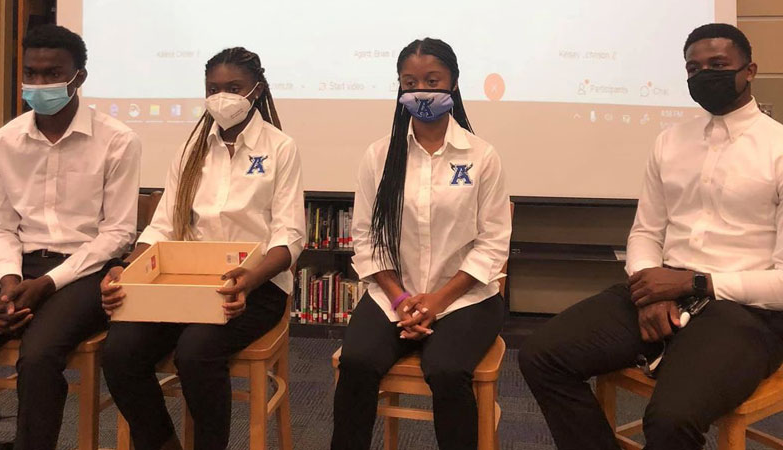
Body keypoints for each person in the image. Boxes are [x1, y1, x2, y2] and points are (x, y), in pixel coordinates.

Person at [519, 23, 783, 450]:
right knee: (541, 357)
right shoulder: (670, 142)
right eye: (693, 68)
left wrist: (696, 283)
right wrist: (650, 289)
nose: (705, 75)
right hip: (662, 289)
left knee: (670, 419)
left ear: (749, 69)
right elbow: (645, 232)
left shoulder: (778, 149)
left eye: (718, 65)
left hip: (744, 311)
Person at [100, 47, 305, 450]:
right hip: (186, 285)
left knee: (195, 353)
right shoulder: (190, 149)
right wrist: (128, 268)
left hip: (256, 287)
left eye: (234, 87)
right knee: (119, 351)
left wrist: (250, 279)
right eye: (214, 88)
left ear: (256, 90)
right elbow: (161, 225)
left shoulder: (280, 148)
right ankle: (161, 443)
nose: (222, 97)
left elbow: (290, 236)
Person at [330, 37, 511, 450]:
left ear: (454, 83)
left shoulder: (482, 156)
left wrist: (438, 301)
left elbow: (493, 243)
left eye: (432, 80)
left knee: (446, 371)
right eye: (409, 82)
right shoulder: (379, 156)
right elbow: (366, 237)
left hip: (466, 298)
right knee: (357, 362)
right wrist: (400, 299)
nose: (421, 91)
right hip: (394, 296)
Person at [0, 24, 141, 450]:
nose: (39, 84)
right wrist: (9, 281)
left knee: (37, 356)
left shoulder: (118, 141)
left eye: (52, 74)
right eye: (31, 74)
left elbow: (118, 233)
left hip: (88, 272)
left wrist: (49, 283)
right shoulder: (2, 143)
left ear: (79, 77)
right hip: (20, 268)